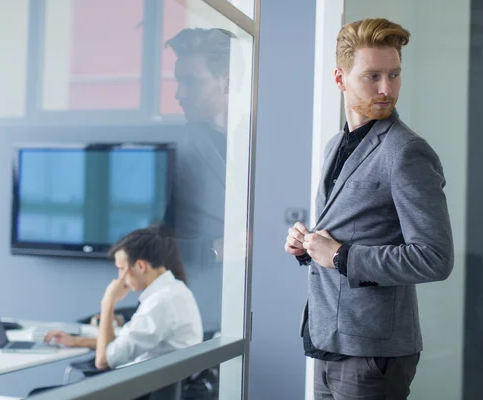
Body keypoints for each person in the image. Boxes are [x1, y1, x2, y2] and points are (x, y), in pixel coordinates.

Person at [284, 18, 454, 399]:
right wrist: (308, 245)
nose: (386, 89)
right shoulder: (334, 146)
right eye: (372, 76)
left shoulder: (408, 151)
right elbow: (347, 231)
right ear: (340, 78)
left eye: (394, 75)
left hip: (373, 353)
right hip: (325, 339)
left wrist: (342, 256)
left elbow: (435, 258)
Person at [163, 28, 242, 332]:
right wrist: (214, 249)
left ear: (227, 82)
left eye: (191, 82)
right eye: (178, 81)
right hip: (198, 313)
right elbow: (149, 244)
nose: (178, 94)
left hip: (256, 305)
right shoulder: (177, 149)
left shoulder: (259, 141)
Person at [44, 225, 203, 370]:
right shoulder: (176, 290)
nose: (120, 278)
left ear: (140, 266)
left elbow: (104, 361)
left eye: (121, 269)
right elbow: (123, 345)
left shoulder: (160, 303)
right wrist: (76, 341)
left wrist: (108, 302)